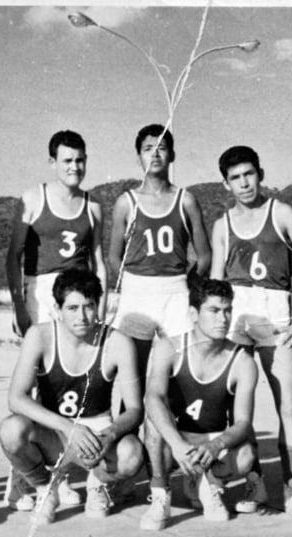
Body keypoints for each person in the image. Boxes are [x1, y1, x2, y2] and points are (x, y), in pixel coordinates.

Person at [209, 145, 292, 520]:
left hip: (276, 321)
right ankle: (254, 481)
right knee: (239, 409)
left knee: (288, 404)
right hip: (237, 322)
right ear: (226, 183)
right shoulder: (222, 225)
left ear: (261, 173)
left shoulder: (282, 212)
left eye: (249, 174)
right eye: (236, 177)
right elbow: (215, 284)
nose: (244, 183)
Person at [4, 129, 107, 508]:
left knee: (67, 379)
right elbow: (12, 256)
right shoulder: (34, 198)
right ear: (53, 163)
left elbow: (98, 261)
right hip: (40, 292)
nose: (74, 167)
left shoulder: (93, 208)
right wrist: (18, 306)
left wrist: (104, 303)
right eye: (66, 160)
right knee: (32, 386)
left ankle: (59, 474)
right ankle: (20, 480)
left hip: (77, 295)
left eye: (79, 160)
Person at [108, 124, 211, 494]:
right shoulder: (126, 202)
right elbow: (113, 256)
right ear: (138, 155)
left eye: (162, 147)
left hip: (174, 291)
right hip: (136, 291)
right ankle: (121, 471)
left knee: (175, 383)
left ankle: (183, 471)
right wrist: (124, 290)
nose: (155, 153)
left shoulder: (186, 199)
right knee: (130, 382)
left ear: (172, 155)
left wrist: (189, 287)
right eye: (148, 147)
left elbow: (204, 254)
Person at [0, 269, 144, 525]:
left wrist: (110, 434)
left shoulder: (118, 341)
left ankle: (97, 484)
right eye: (73, 308)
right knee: (11, 430)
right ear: (57, 309)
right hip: (54, 432)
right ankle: (46, 488)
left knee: (132, 455)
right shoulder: (40, 335)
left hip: (97, 434)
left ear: (99, 306)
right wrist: (69, 427)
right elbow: (16, 398)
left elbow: (134, 409)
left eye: (89, 307)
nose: (82, 317)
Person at [140, 279, 258, 530]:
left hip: (210, 440)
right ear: (194, 314)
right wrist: (177, 444)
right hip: (176, 440)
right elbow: (152, 397)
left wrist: (216, 445)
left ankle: (208, 484)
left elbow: (243, 423)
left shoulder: (242, 360)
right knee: (153, 420)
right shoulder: (169, 347)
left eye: (227, 311)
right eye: (213, 311)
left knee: (246, 454)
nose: (223, 319)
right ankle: (161, 493)